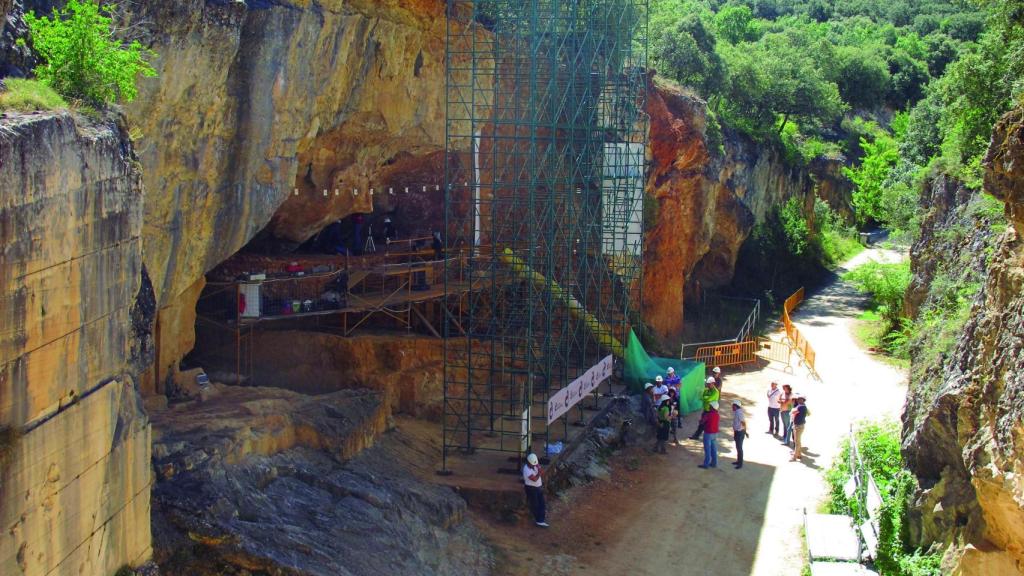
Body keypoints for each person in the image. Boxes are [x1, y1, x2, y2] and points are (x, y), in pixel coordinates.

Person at [523, 453, 548, 527]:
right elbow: (534, 479)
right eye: (532, 464)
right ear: (528, 462)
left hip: (538, 488)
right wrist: (539, 473)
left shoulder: (535, 465)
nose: (534, 465)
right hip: (531, 488)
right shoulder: (526, 469)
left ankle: (541, 519)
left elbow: (540, 471)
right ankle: (538, 520)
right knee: (535, 504)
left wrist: (538, 468)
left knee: (542, 503)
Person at [698, 401, 720, 469]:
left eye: (710, 406)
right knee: (714, 449)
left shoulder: (708, 414)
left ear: (713, 407)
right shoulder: (717, 414)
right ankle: (714, 463)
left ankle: (706, 464)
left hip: (708, 433)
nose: (709, 407)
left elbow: (702, 422)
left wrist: (701, 420)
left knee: (707, 449)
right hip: (715, 433)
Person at [790, 393, 809, 462]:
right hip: (800, 425)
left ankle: (794, 457)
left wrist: (793, 410)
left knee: (797, 442)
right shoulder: (803, 406)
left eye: (800, 399)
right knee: (798, 441)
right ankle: (799, 454)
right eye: (798, 399)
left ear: (803, 400)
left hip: (798, 426)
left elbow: (793, 412)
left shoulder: (800, 406)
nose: (798, 400)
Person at [732, 400, 747, 469]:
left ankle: (740, 463)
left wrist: (745, 431)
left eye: (733, 406)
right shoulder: (737, 412)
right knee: (738, 447)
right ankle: (738, 461)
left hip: (739, 432)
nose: (732, 407)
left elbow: (743, 422)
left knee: (739, 448)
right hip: (738, 432)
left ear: (735, 406)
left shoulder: (739, 413)